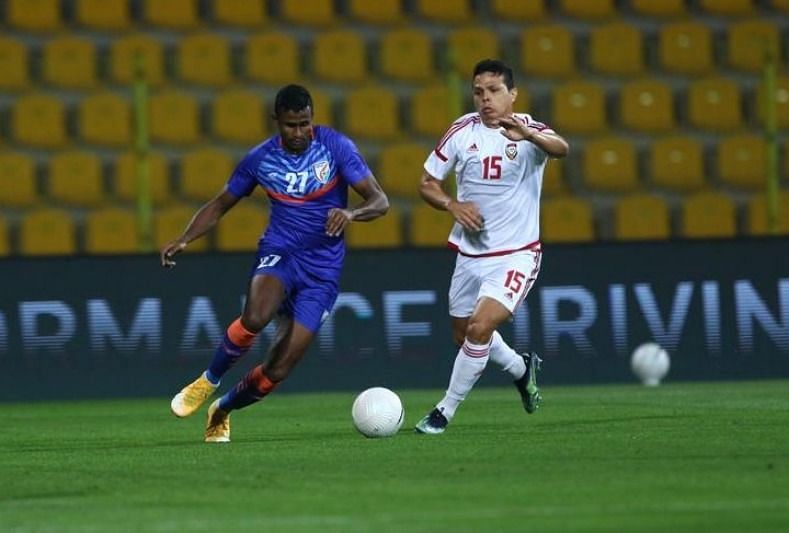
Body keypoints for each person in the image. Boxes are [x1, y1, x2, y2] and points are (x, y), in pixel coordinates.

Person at [162, 84, 389, 443]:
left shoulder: (336, 148)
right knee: (255, 315)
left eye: (304, 124)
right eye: (290, 125)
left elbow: (380, 200)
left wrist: (352, 213)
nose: (299, 132)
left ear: (312, 118)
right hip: (281, 253)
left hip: (322, 274)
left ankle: (221, 410)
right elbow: (220, 204)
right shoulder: (260, 159)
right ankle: (207, 380)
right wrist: (185, 237)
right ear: (277, 122)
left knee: (278, 369)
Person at [415, 59, 569, 435]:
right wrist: (452, 205)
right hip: (470, 255)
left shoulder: (527, 128)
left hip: (517, 254)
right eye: (479, 92)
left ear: (512, 94)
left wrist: (529, 137)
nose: (486, 99)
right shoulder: (461, 131)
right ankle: (520, 368)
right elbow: (426, 183)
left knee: (480, 327)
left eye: (494, 91)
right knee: (463, 334)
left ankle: (443, 412)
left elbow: (561, 147)